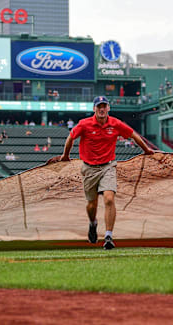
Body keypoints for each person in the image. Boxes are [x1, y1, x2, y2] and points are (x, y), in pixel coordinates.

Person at [48, 96, 158, 250]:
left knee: (109, 199)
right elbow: (71, 138)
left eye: (104, 106)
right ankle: (93, 224)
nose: (101, 109)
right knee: (92, 205)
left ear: (108, 108)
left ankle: (108, 236)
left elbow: (133, 135)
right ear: (94, 109)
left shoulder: (115, 123)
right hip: (89, 168)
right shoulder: (84, 124)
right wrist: (65, 155)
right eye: (98, 106)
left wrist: (146, 150)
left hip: (108, 166)